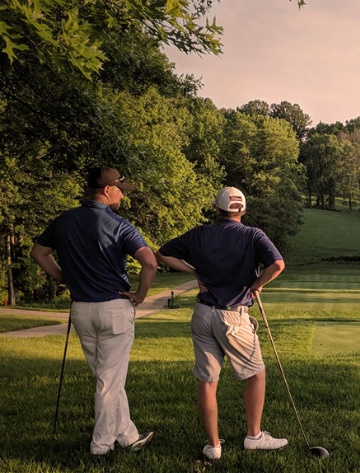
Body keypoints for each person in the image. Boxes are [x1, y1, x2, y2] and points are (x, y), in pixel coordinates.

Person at [31, 166, 157, 455]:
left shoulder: (64, 220)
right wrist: (140, 294)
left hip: (81, 310)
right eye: (121, 191)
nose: (123, 197)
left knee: (107, 376)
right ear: (107, 190)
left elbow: (38, 252)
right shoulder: (119, 224)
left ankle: (127, 434)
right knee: (109, 381)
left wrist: (63, 276)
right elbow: (149, 262)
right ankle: (101, 444)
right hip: (113, 308)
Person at [155, 187, 288, 460]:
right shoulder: (252, 235)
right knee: (256, 374)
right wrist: (257, 284)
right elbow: (277, 264)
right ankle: (254, 436)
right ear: (243, 211)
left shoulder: (200, 233)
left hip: (203, 312)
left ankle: (213, 446)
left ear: (217, 209)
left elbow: (163, 254)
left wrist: (195, 272)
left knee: (207, 380)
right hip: (234, 316)